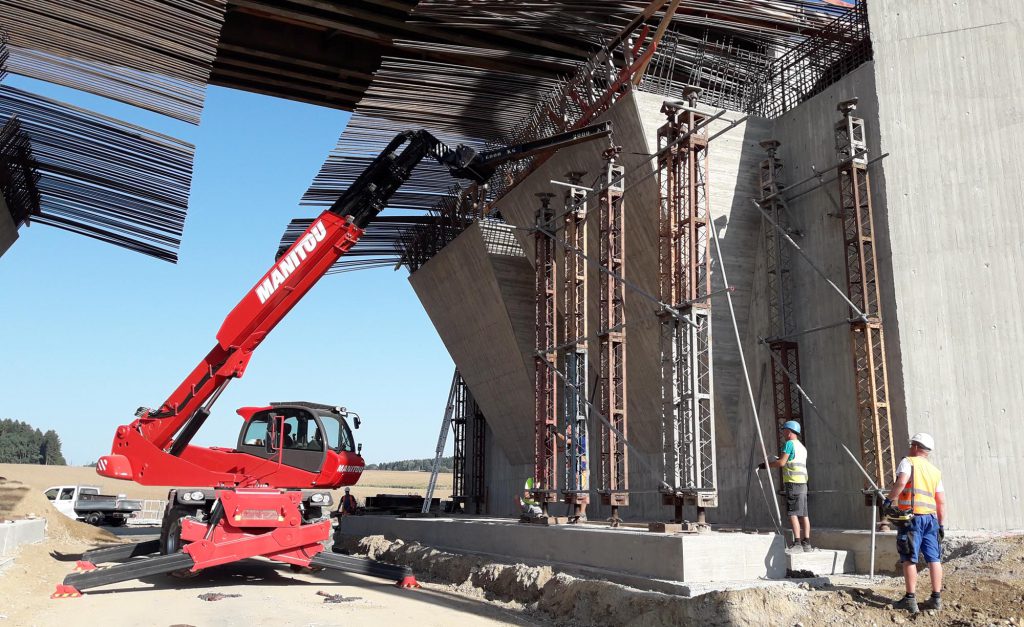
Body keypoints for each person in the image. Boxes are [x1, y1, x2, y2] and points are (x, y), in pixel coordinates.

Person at [884, 432, 945, 615]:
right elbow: (941, 501)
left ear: (917, 447)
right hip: (931, 519)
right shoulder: (935, 471)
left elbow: (901, 482)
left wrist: (888, 501)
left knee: (909, 556)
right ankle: (936, 598)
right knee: (934, 558)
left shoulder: (908, 462)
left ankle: (910, 599)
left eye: (912, 445)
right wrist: (941, 525)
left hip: (912, 519)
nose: (910, 448)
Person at [758, 420, 812, 553]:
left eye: (784, 430)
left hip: (793, 483)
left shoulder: (788, 444)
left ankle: (797, 544)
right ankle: (807, 543)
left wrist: (767, 465)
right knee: (804, 514)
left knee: (793, 513)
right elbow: (791, 461)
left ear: (789, 432)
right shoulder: (802, 447)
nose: (783, 433)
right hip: (803, 483)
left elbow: (782, 462)